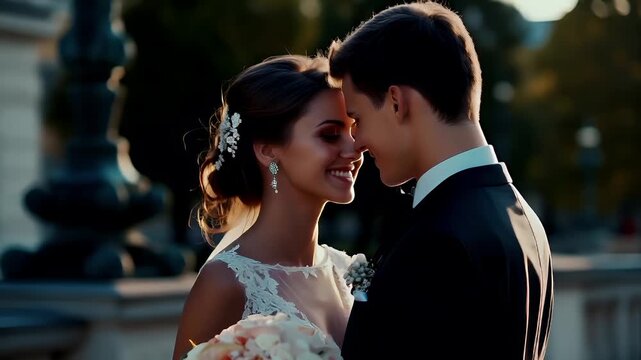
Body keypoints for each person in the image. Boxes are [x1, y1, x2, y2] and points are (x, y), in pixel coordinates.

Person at [328, 2, 553, 359]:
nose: (356, 142)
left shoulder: (435, 242)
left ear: (397, 102)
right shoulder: (527, 222)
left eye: (358, 119)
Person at [172, 54, 363, 360]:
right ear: (267, 150)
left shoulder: (347, 271)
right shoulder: (226, 283)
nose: (354, 148)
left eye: (354, 130)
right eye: (330, 134)